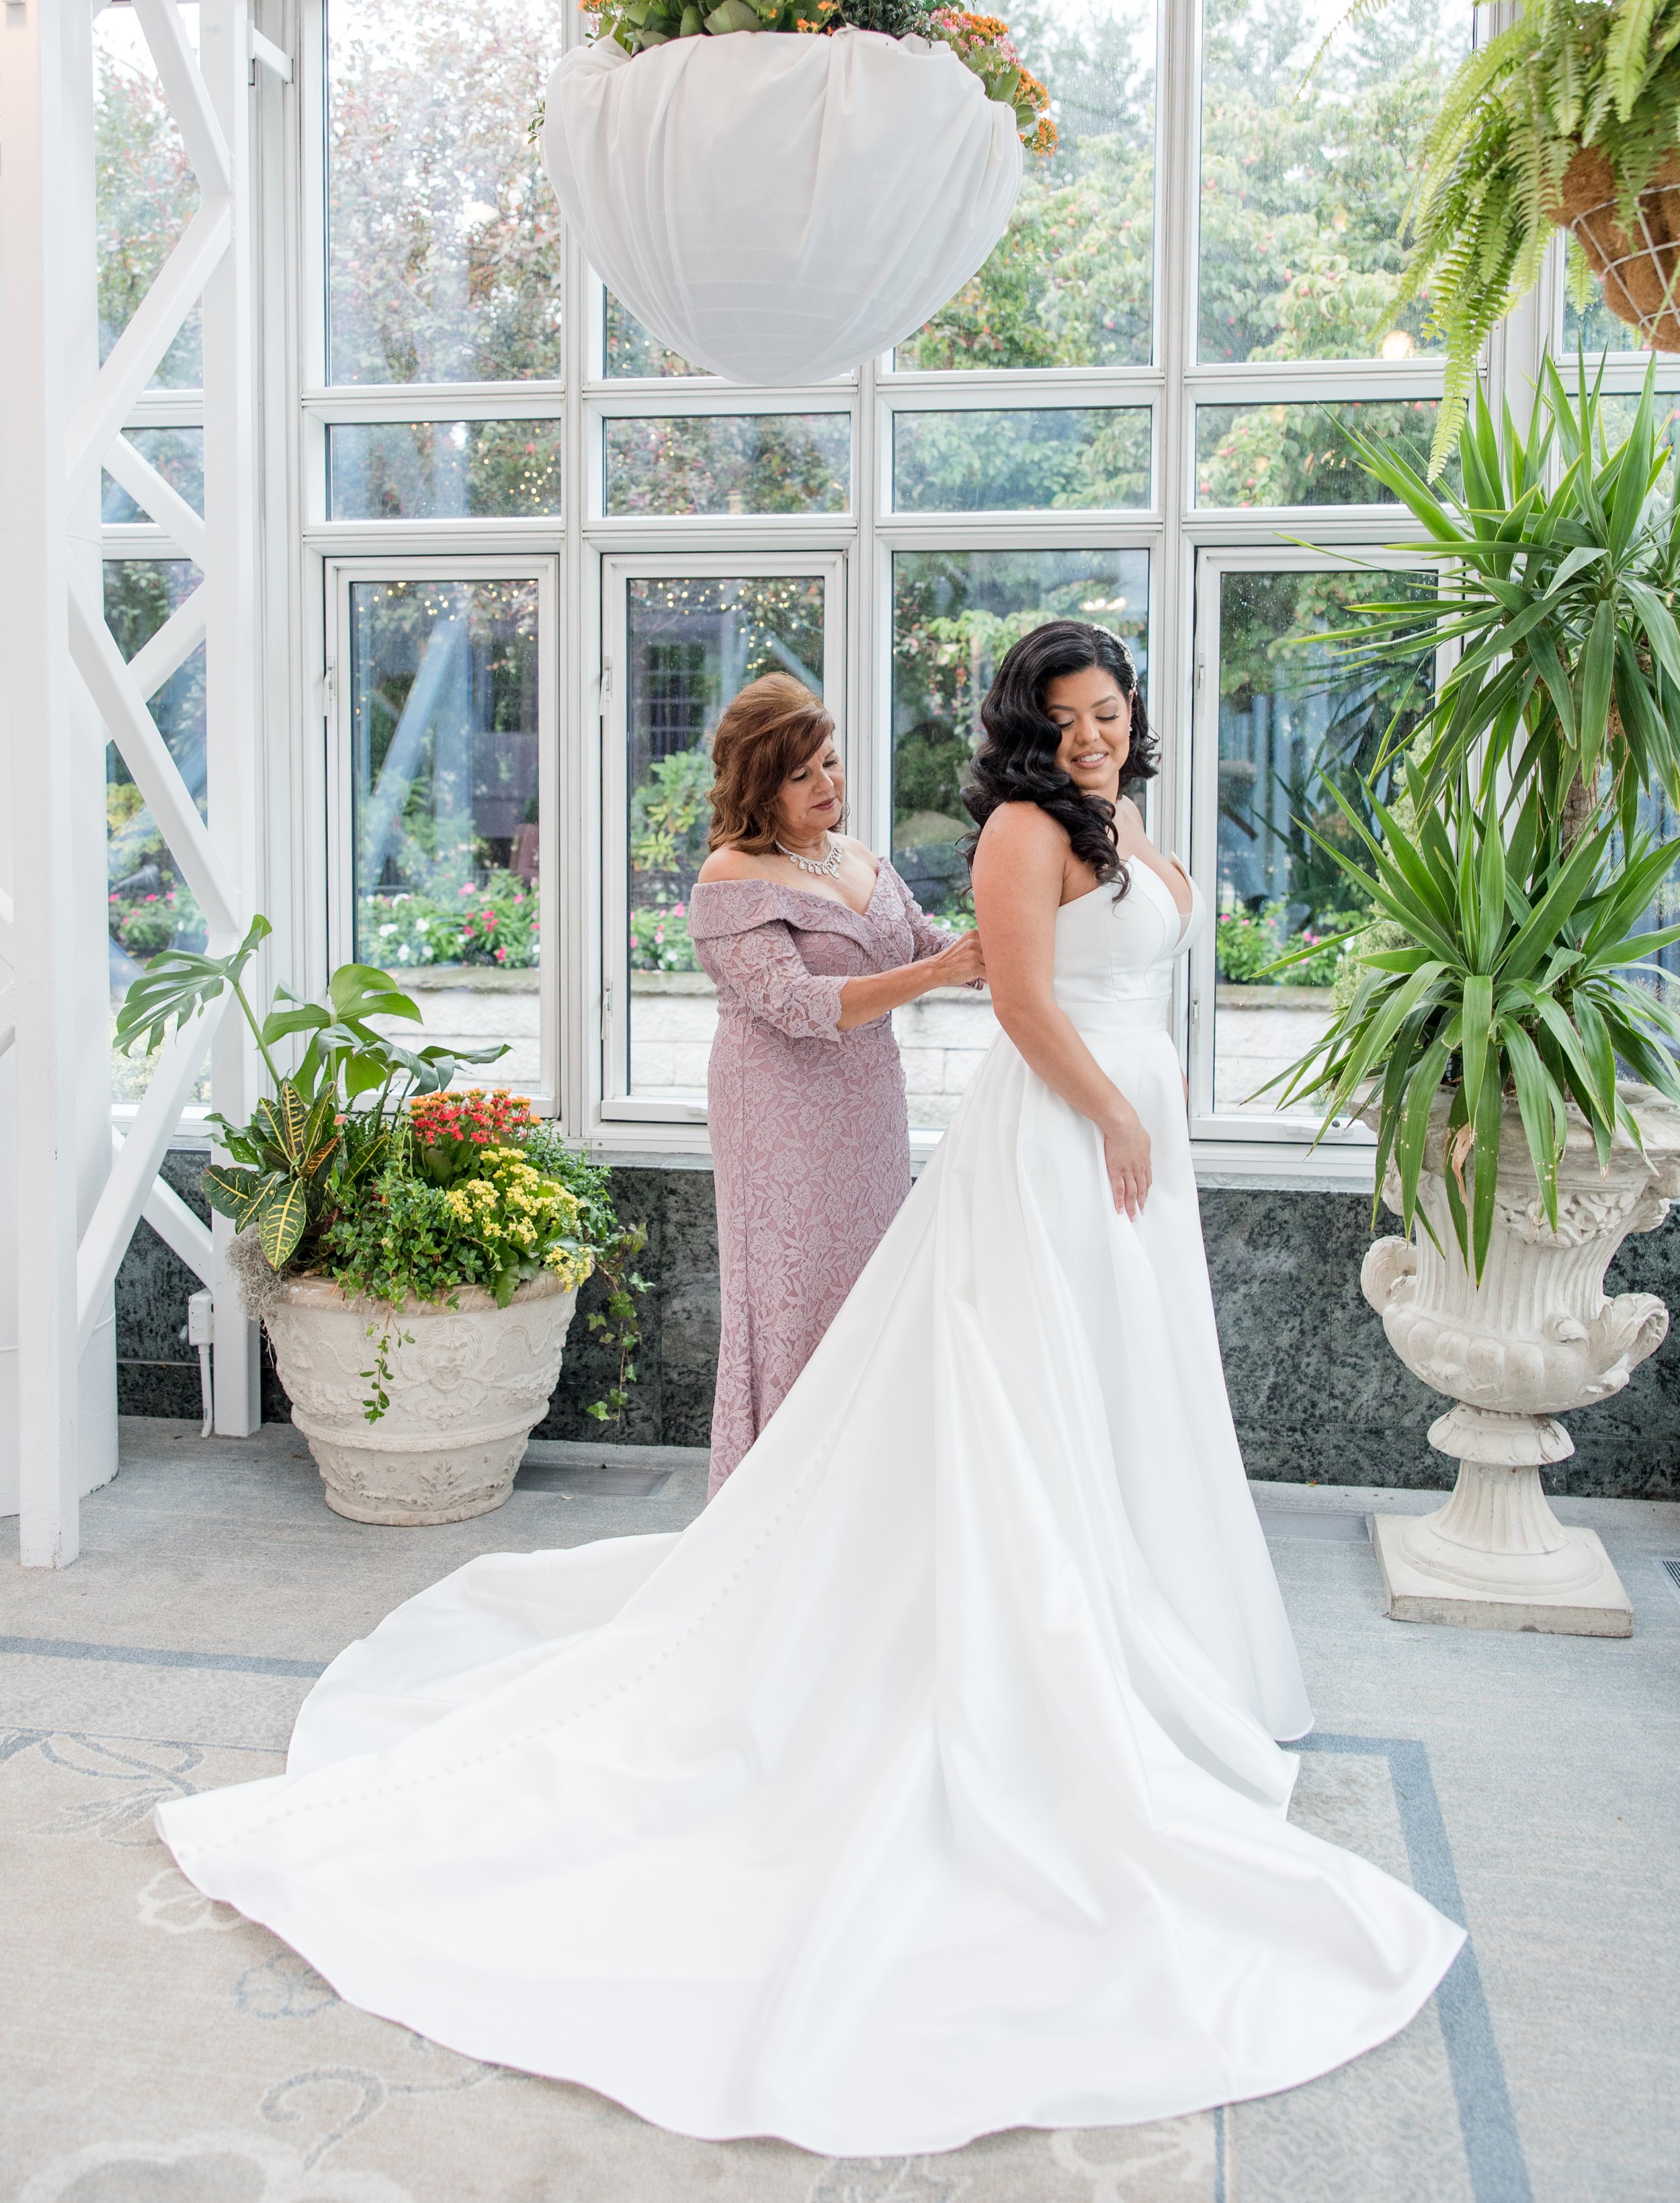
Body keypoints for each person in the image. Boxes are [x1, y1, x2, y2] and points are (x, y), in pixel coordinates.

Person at [155, 620, 1463, 2158]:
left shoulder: (1109, 826)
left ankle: (1147, 1618)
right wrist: (1110, 1106)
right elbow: (1015, 1004)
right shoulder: (1017, 830)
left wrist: (1128, 1096)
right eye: (1074, 713)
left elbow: (989, 957)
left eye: (1114, 709)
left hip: (1091, 1136)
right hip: (1049, 1134)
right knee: (979, 1387)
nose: (1099, 730)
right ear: (1030, 730)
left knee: (1113, 1393)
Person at [688, 673, 984, 1491]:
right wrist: (936, 970)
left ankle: (861, 1497)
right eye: (800, 774)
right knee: (795, 1299)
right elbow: (796, 1002)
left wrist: (1027, 940)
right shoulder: (730, 876)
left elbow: (926, 941)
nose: (827, 786)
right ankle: (780, 1498)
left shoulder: (857, 857)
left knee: (870, 1294)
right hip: (778, 1115)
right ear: (758, 783)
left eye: (831, 763)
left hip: (868, 1110)